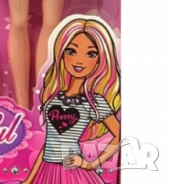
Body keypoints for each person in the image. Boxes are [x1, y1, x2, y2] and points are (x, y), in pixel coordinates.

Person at [22, 17, 121, 183]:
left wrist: (90, 164)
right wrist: (29, 179)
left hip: (72, 171)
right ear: (61, 53)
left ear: (100, 59)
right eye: (71, 51)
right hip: (47, 170)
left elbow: (118, 134)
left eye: (91, 54)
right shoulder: (54, 97)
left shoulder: (94, 101)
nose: (80, 60)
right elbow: (48, 144)